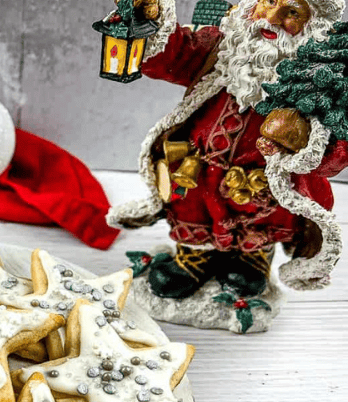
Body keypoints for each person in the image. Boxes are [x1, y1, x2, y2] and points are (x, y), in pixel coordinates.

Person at [107, 0, 347, 298]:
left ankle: (252, 258)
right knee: (193, 210)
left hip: (262, 181)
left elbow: (335, 151)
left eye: (292, 12)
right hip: (197, 168)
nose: (272, 18)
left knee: (259, 218)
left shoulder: (320, 81)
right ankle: (193, 256)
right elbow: (172, 55)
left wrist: (304, 145)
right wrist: (150, 20)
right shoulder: (223, 47)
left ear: (314, 23)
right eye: (270, 2)